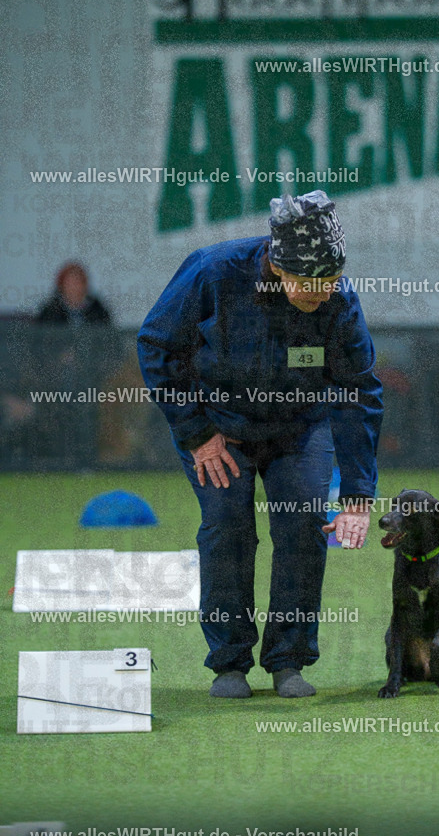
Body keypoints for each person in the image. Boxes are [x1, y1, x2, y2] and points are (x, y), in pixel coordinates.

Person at [137, 191, 383, 699]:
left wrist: (357, 492)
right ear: (277, 264)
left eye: (331, 282)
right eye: (311, 285)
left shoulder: (338, 300)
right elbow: (157, 347)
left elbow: (357, 391)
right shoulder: (212, 273)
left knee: (302, 525)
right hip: (218, 428)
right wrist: (196, 432)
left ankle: (288, 660)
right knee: (227, 526)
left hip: (298, 428)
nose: (323, 294)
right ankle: (229, 662)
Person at [35, 262, 111, 325]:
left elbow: (106, 337)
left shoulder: (98, 310)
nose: (74, 287)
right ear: (61, 286)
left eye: (78, 282)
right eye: (70, 283)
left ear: (85, 285)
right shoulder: (51, 311)